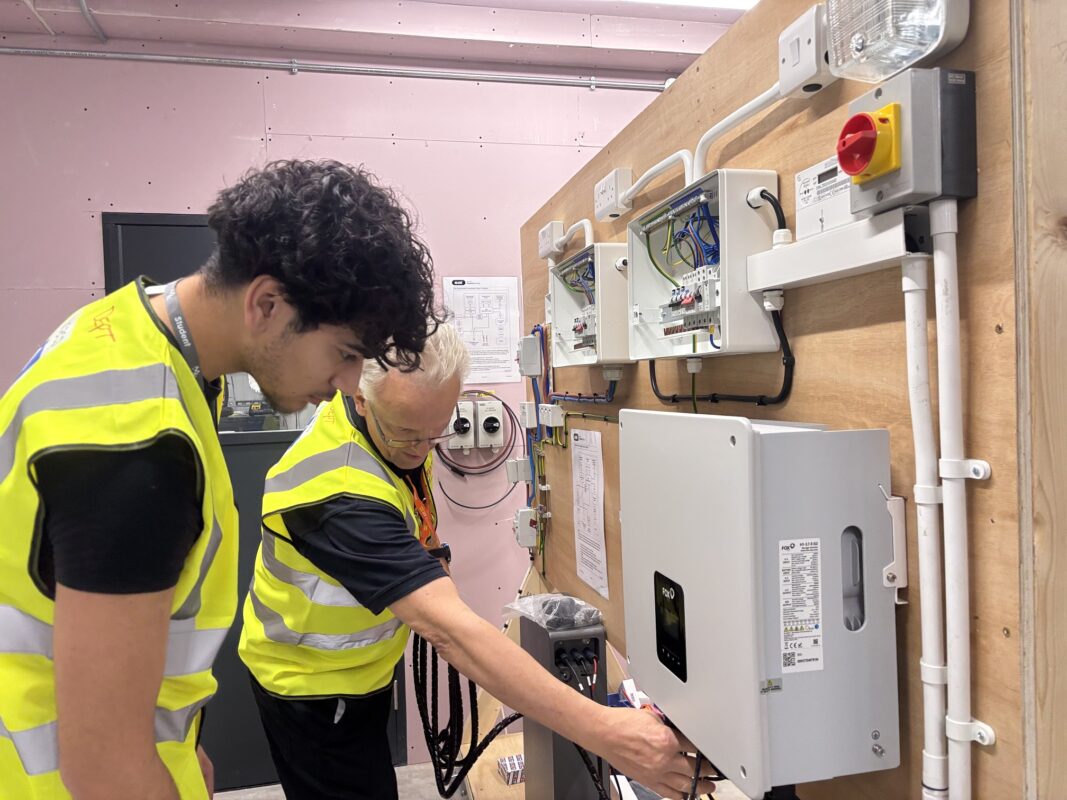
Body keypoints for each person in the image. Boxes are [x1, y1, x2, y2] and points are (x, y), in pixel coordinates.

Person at [0, 159, 439, 800]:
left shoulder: (120, 331)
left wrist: (179, 740)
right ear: (266, 304)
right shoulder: (137, 447)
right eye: (344, 354)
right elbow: (102, 768)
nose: (348, 385)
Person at [239, 321, 717, 800]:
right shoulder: (338, 495)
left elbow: (410, 502)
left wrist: (431, 558)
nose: (422, 449)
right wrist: (608, 734)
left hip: (362, 671)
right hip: (310, 686)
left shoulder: (401, 426)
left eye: (435, 433)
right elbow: (452, 635)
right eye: (409, 434)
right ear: (361, 400)